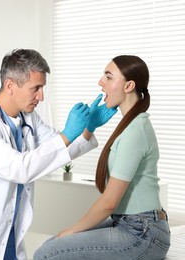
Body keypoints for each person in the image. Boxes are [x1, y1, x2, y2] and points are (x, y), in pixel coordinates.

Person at [0, 49, 117, 260]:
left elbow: (57, 149)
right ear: (10, 86)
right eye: (36, 88)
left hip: (8, 227)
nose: (41, 97)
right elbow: (19, 169)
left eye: (42, 88)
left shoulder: (28, 117)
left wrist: (88, 128)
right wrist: (68, 134)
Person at [33, 55, 171, 260]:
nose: (100, 82)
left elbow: (109, 202)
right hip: (132, 224)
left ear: (128, 85)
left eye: (108, 77)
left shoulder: (135, 130)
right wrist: (89, 128)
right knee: (52, 245)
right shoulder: (131, 125)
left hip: (143, 232)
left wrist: (71, 231)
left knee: (47, 253)